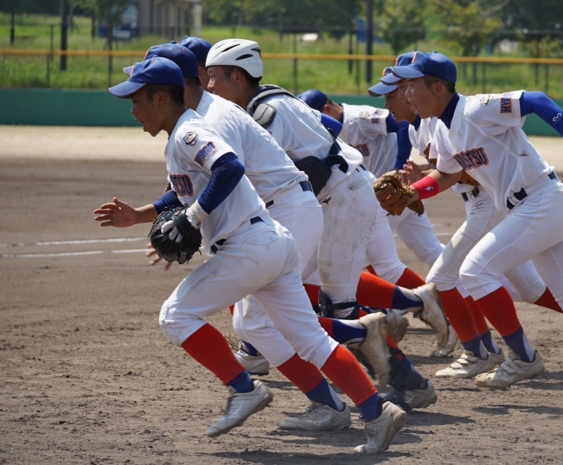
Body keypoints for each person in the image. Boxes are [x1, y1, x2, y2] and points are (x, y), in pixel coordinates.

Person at [93, 57, 406, 453]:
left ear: (160, 98)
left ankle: (244, 389)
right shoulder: (183, 134)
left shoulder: (190, 131)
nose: (132, 109)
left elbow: (229, 166)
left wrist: (193, 217)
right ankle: (378, 412)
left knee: (175, 315)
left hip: (250, 248)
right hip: (271, 243)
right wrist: (146, 216)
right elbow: (197, 183)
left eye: (135, 100)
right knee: (310, 340)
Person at [391, 51, 563, 409]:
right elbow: (446, 175)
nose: (408, 94)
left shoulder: (476, 109)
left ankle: (523, 357)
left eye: (412, 85)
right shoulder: (444, 131)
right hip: (535, 208)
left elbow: (536, 100)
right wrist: (415, 190)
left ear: (438, 87)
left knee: (475, 270)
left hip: (541, 201)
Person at [203, 38, 443, 410]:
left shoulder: (266, 112)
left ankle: (405, 382)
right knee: (309, 304)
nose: (209, 86)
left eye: (214, 76)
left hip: (341, 201)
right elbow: (326, 130)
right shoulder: (271, 100)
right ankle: (355, 387)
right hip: (332, 201)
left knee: (335, 308)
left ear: (237, 75)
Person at [300, 88, 457, 356]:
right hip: (369, 193)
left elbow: (398, 123)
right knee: (393, 262)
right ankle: (425, 308)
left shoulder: (358, 117)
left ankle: (429, 308)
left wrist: (397, 167)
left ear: (325, 109)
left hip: (377, 193)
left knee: (374, 265)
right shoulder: (317, 128)